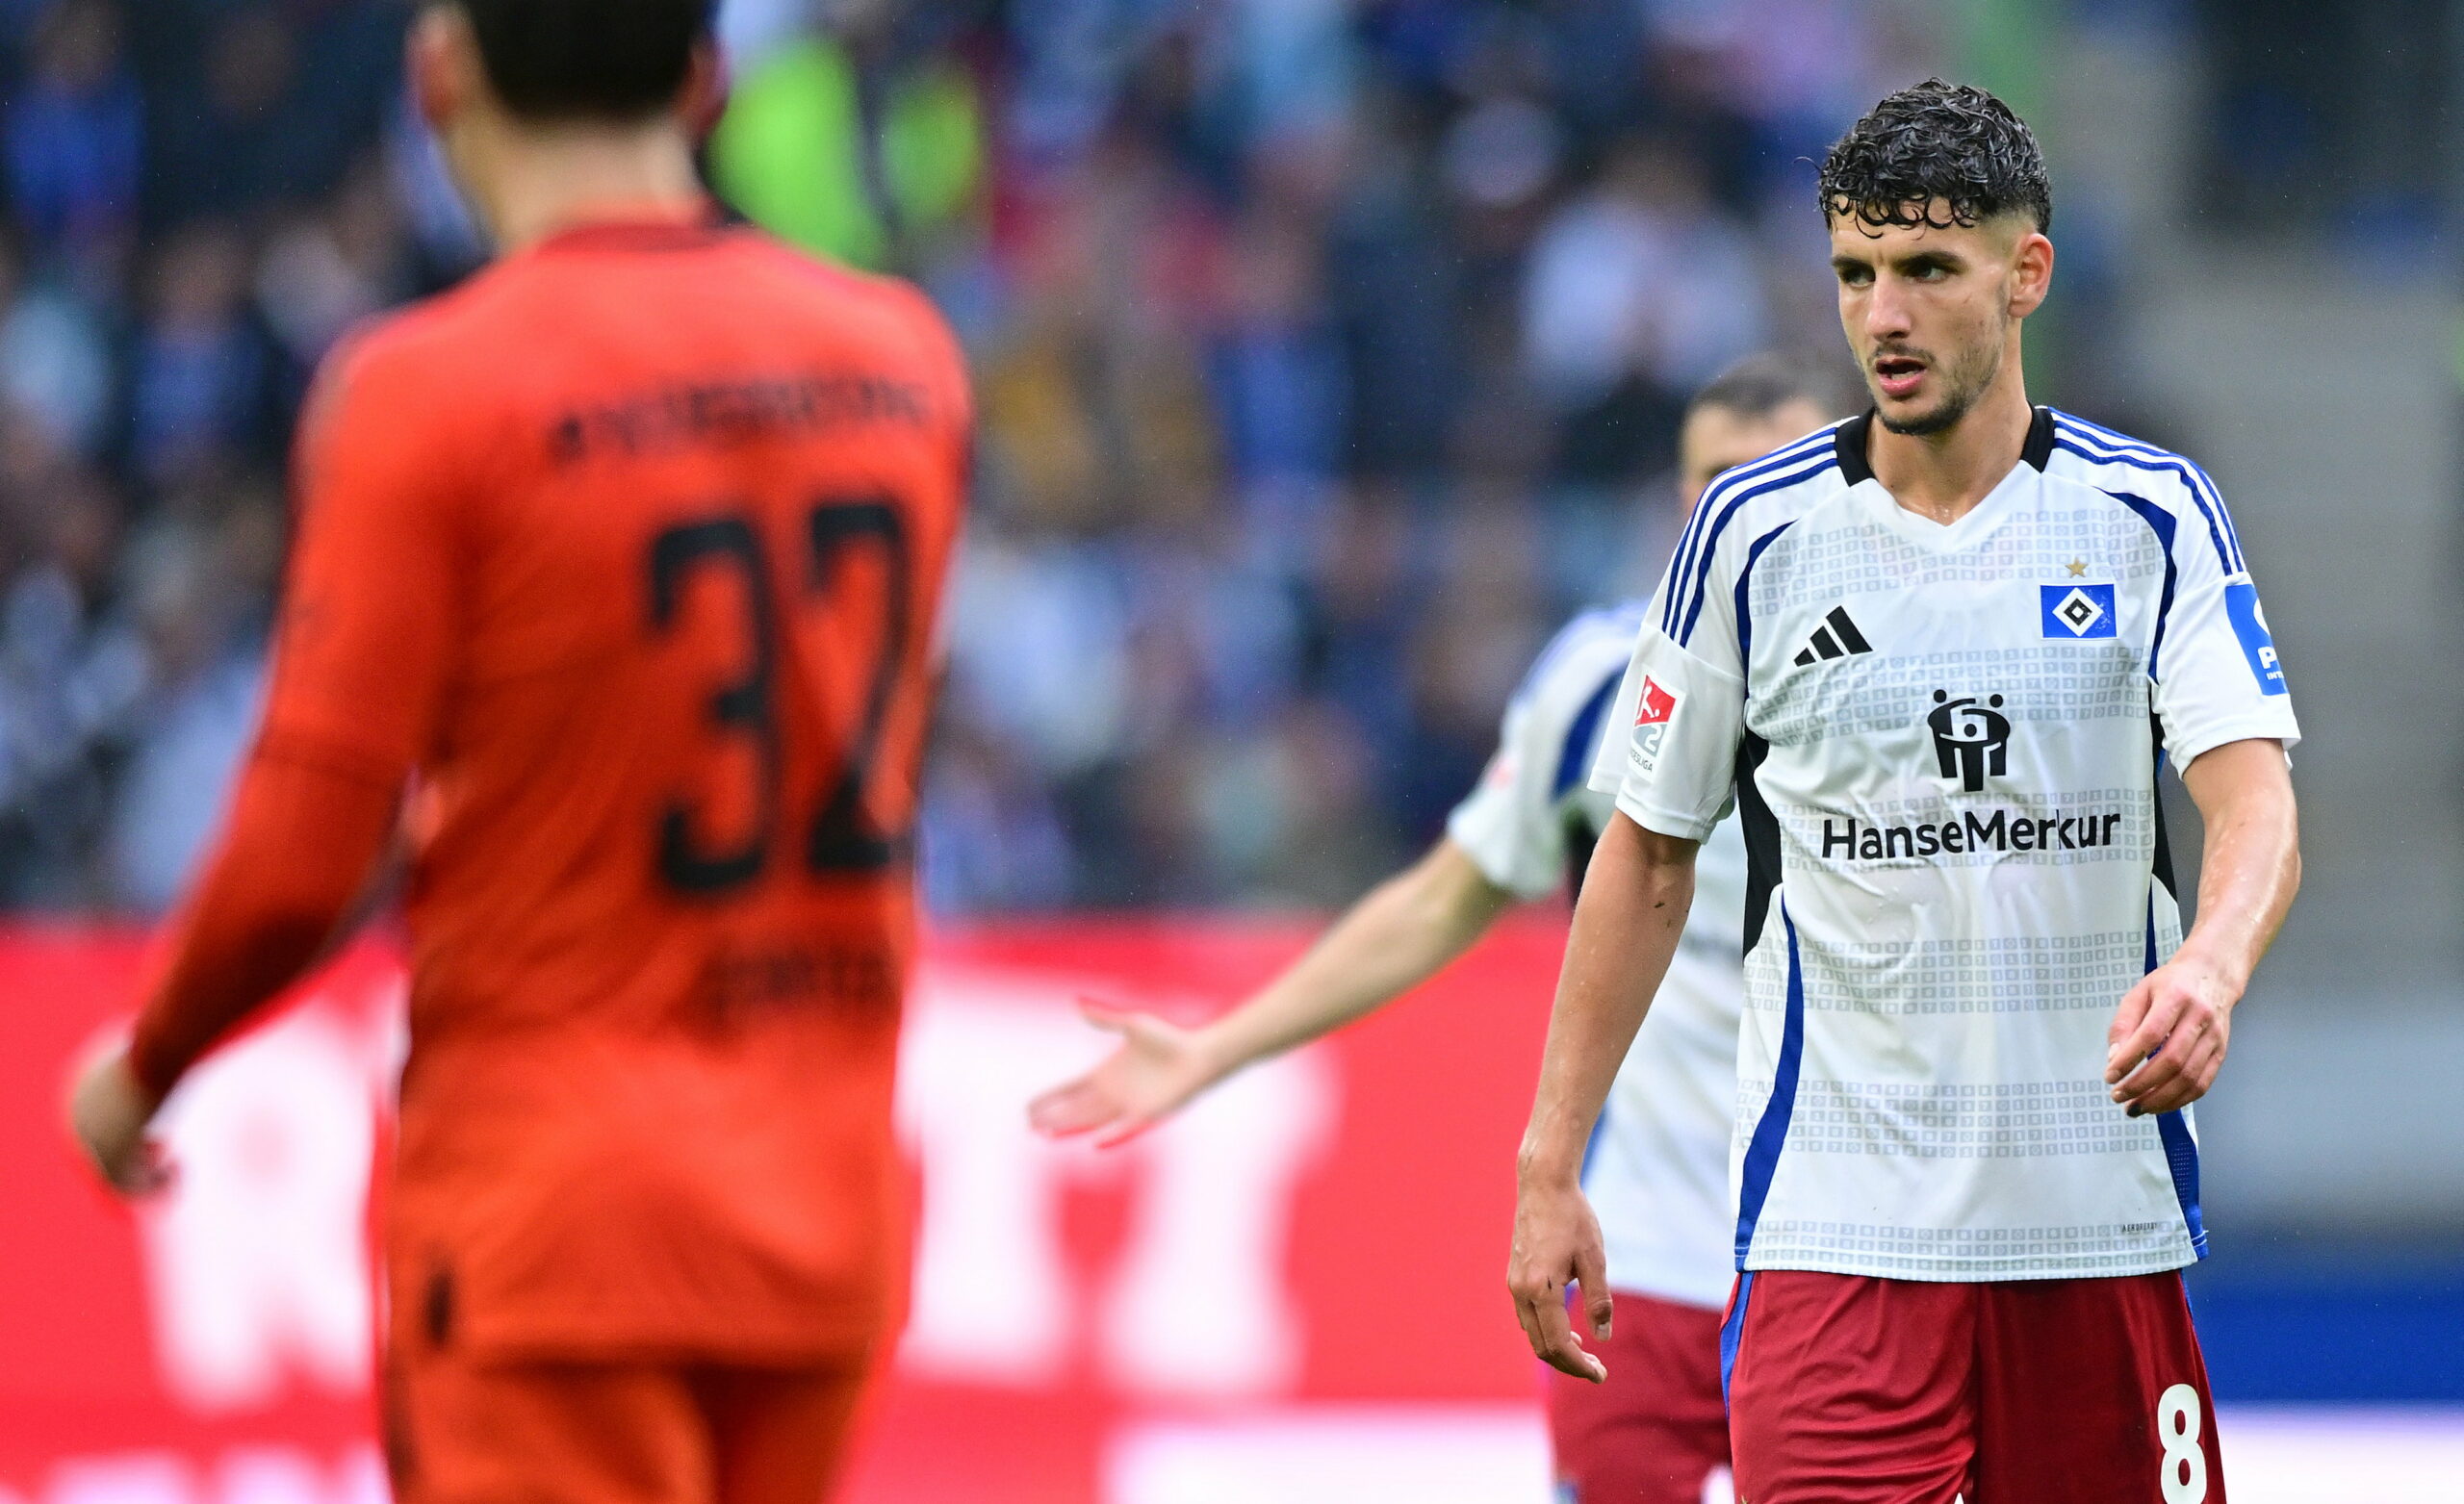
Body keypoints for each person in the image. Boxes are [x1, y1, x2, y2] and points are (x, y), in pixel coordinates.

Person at [64, 2, 971, 1500]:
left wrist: (144, 1062)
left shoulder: (430, 391)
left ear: (440, 73)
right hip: (824, 1216)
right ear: (706, 81)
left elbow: (310, 843)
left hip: (550, 1225)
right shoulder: (904, 365)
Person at [1508, 80, 2301, 1503]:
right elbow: (1645, 852)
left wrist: (2212, 963)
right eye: (1857, 272)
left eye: (1929, 269)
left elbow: (2255, 801)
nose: (1883, 313)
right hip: (1840, 1240)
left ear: (2025, 275)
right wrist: (1549, 1156)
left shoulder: (2150, 517)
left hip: (2095, 1230)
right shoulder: (1754, 536)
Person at [1029, 354, 1846, 1504]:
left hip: (1845, 1266)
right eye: (1721, 479)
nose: (1751, 505)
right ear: (1682, 504)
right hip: (1640, 1266)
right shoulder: (1601, 685)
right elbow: (1437, 899)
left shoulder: (1915, 700)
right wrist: (1218, 1047)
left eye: (1784, 476)